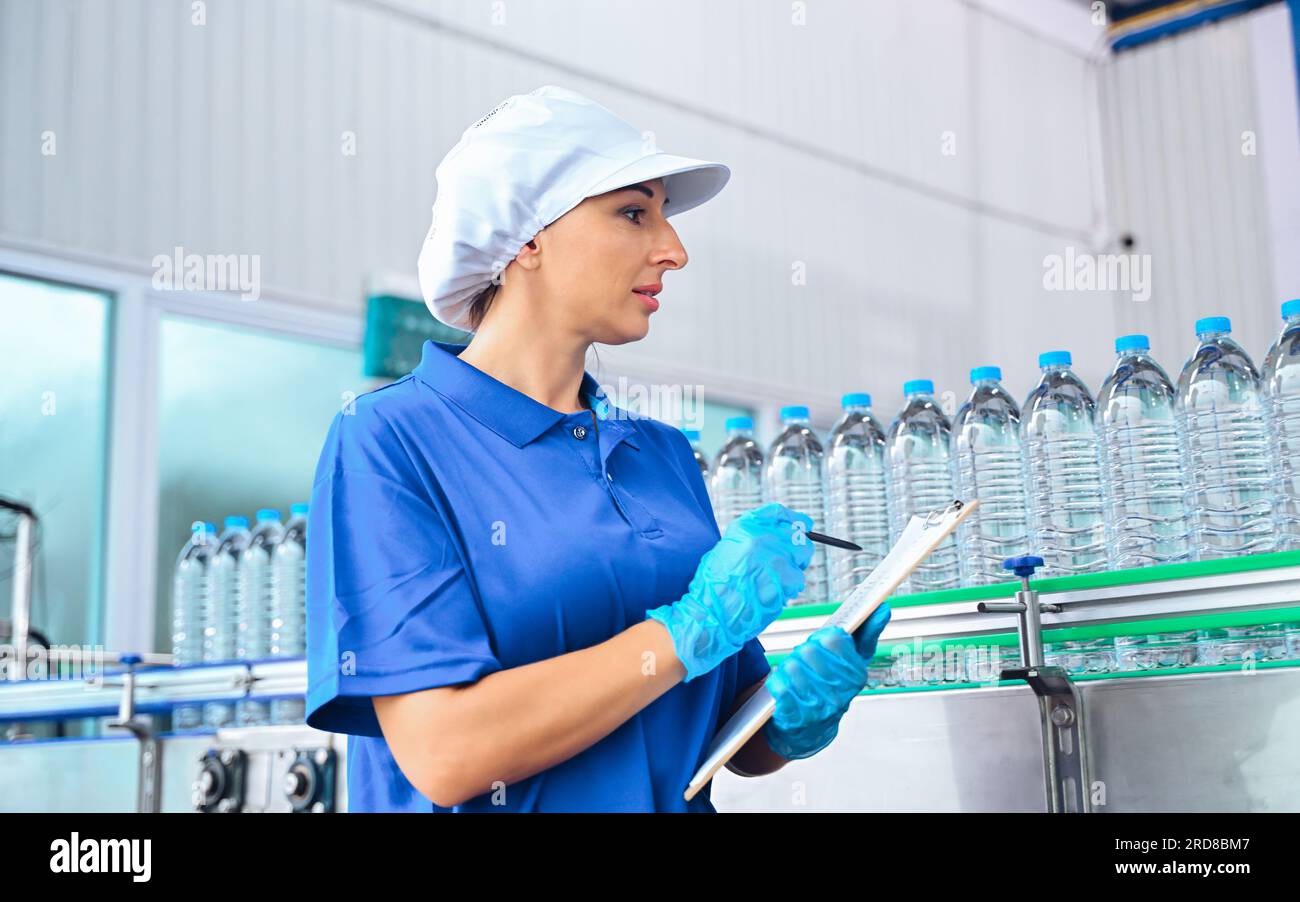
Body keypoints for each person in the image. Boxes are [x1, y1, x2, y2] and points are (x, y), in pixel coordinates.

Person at [304, 85, 891, 812]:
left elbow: (722, 737)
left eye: (665, 218)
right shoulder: (391, 441)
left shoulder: (664, 456)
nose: (673, 251)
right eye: (633, 212)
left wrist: (793, 711)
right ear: (527, 237)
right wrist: (683, 633)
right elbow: (447, 753)